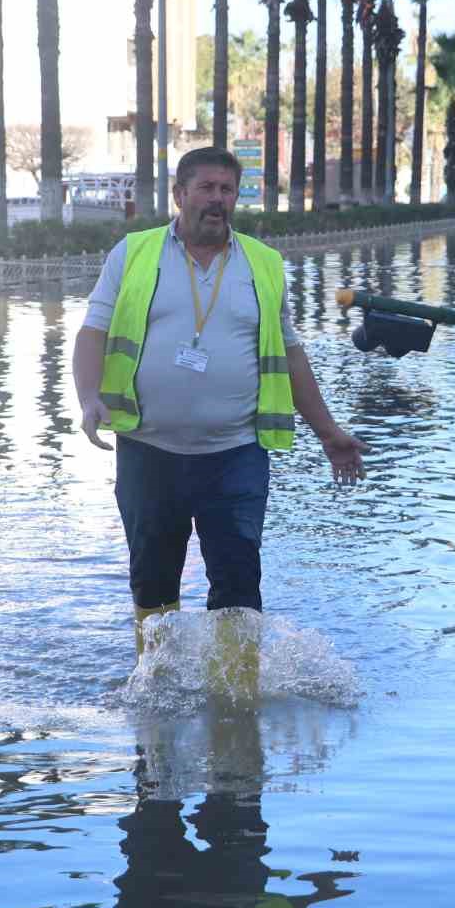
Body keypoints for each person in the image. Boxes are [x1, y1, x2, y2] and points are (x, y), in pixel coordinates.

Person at [72, 146, 366, 656]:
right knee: (153, 578)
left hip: (236, 454)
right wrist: (89, 397)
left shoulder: (264, 264)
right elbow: (93, 330)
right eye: (206, 188)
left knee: (237, 581)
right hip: (148, 450)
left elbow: (290, 354)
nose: (217, 199)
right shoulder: (134, 253)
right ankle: (157, 691)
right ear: (180, 194)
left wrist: (329, 432)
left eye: (227, 189)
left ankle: (237, 704)